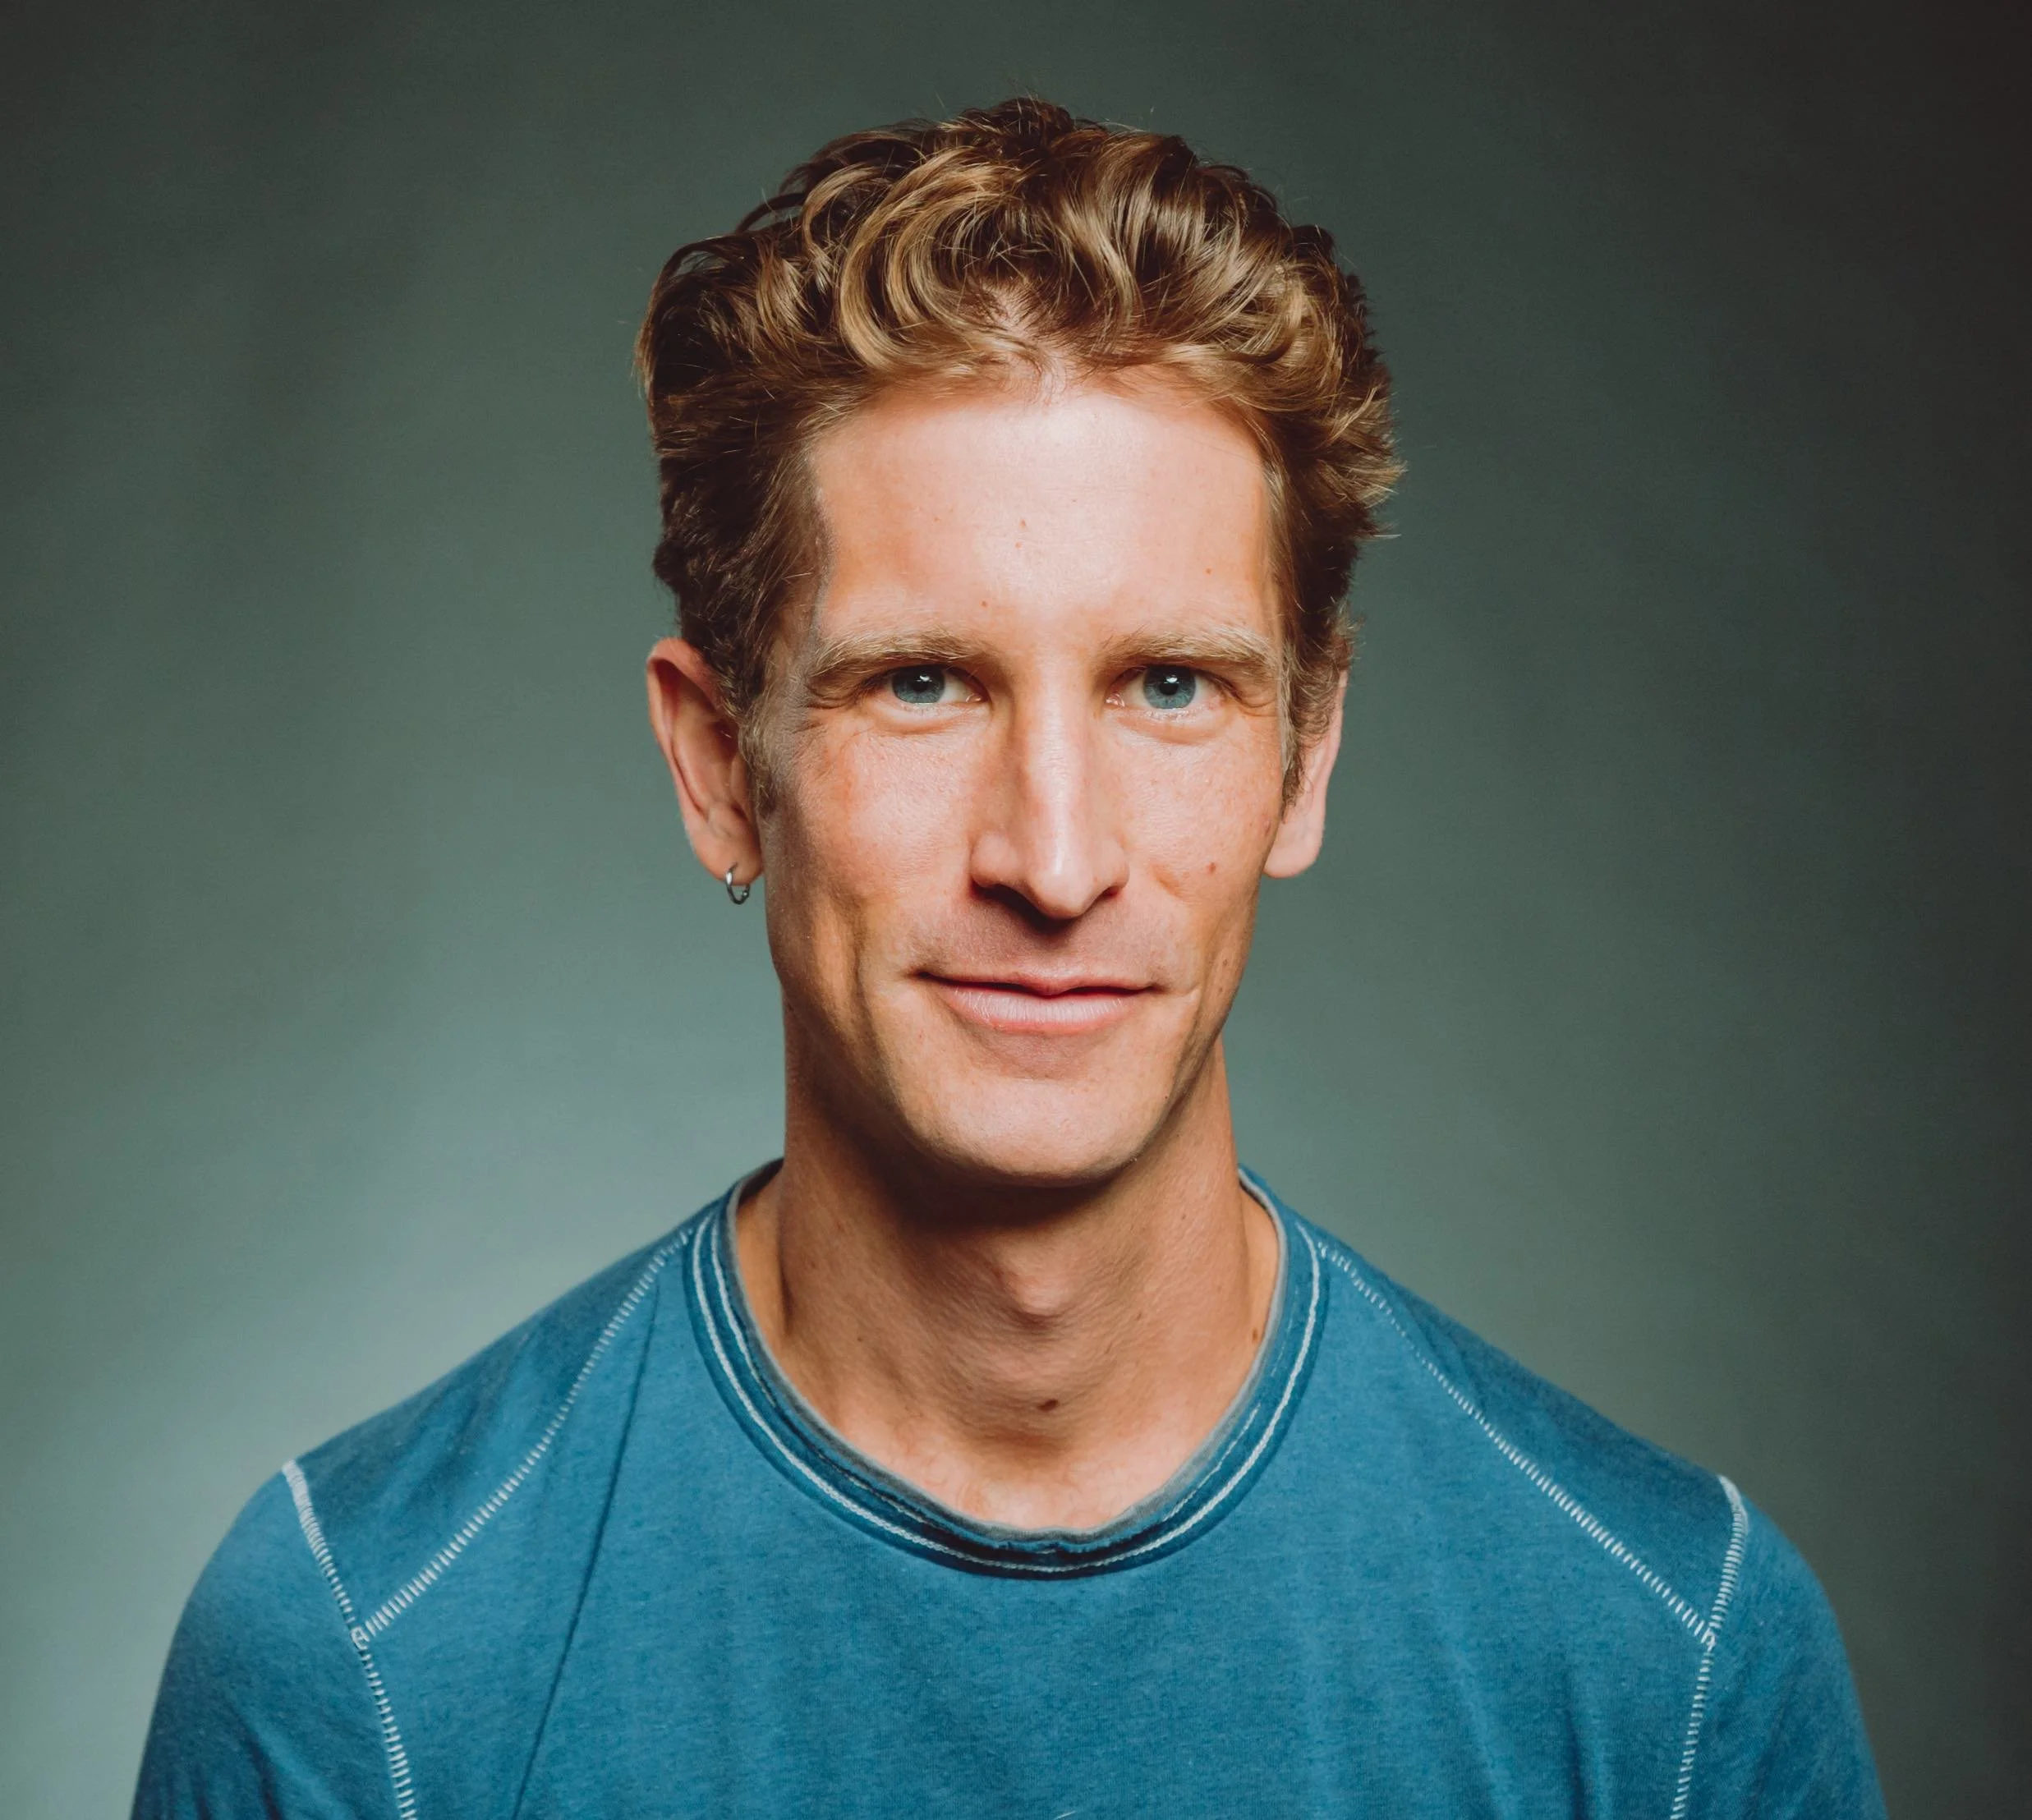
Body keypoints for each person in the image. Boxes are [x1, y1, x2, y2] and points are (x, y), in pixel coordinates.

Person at [133, 99, 1883, 1818]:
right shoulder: (365, 1654)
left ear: (1309, 748)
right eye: (920, 682)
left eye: (1171, 687)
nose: (1053, 857)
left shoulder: (1670, 1672)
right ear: (718, 763)